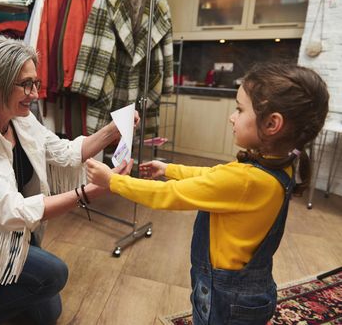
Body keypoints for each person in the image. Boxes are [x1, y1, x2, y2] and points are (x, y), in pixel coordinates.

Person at [85, 63, 329, 324]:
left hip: (225, 295)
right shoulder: (278, 165)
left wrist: (112, 182)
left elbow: (169, 195)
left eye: (240, 109)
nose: (232, 117)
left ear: (272, 123)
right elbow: (214, 178)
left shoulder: (247, 180)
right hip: (252, 287)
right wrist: (170, 168)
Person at [0, 36, 136, 325]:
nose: (35, 93)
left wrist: (113, 130)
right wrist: (88, 192)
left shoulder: (21, 118)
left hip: (14, 233)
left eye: (35, 83)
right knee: (54, 275)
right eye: (26, 84)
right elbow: (10, 212)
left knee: (47, 314)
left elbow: (65, 153)